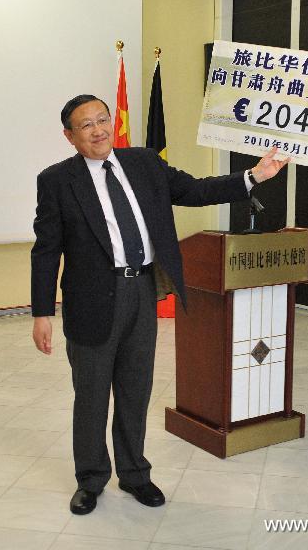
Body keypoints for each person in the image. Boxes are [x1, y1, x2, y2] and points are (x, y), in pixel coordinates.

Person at [31, 94, 290, 515]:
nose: (98, 130)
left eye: (103, 119)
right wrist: (42, 312)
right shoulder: (58, 181)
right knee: (92, 397)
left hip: (142, 291)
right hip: (91, 301)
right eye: (86, 125)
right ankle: (91, 479)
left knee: (136, 390)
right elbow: (46, 251)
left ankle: (135, 475)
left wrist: (255, 175)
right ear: (69, 136)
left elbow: (196, 190)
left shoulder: (144, 163)